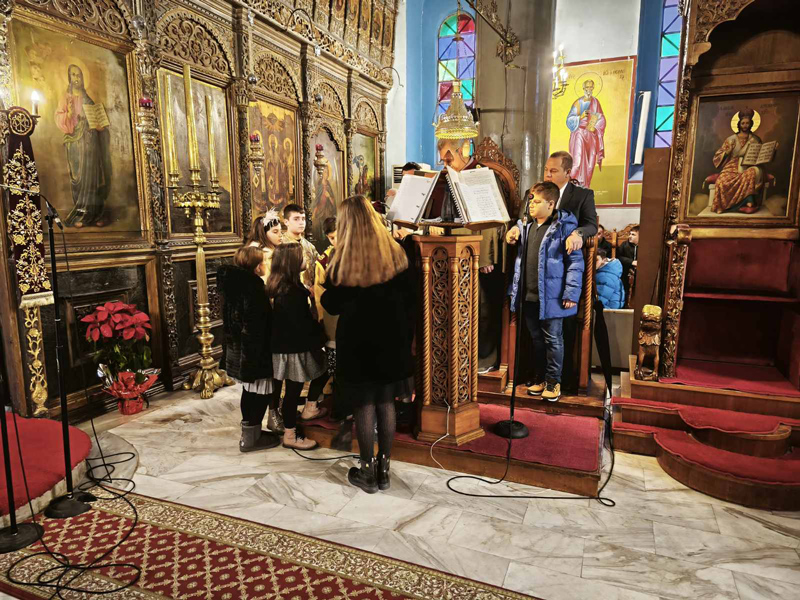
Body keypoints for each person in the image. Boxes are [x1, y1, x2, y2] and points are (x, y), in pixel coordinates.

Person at [321, 195, 415, 494]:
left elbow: (332, 304)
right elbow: (409, 295)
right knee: (386, 402)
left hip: (358, 340)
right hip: (392, 336)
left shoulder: (343, 259)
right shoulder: (396, 251)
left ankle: (367, 472)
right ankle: (384, 470)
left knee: (364, 404)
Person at [506, 150, 597, 393]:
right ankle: (538, 377)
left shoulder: (581, 197)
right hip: (533, 286)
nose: (548, 174)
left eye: (553, 170)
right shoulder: (534, 195)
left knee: (556, 337)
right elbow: (523, 221)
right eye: (546, 170)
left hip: (558, 281)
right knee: (537, 337)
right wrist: (515, 229)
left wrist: (577, 234)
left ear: (568, 172)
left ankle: (558, 381)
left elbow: (590, 225)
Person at [218, 246, 280, 453]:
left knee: (249, 391)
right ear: (257, 266)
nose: (265, 265)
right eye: (263, 262)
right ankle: (252, 438)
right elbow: (256, 325)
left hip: (239, 350)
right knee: (261, 392)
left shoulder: (235, 286)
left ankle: (249, 433)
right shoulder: (254, 288)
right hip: (254, 352)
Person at [267, 242, 328, 450]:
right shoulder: (291, 292)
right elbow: (300, 324)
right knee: (293, 391)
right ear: (292, 262)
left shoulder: (283, 286)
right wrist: (319, 335)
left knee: (317, 373)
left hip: (286, 346)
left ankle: (309, 408)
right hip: (293, 348)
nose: (305, 259)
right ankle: (290, 435)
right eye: (301, 257)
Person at [55, 64, 112, 228]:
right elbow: (59, 118)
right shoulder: (66, 98)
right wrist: (69, 114)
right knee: (78, 178)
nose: (76, 78)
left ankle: (95, 214)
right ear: (69, 77)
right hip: (75, 144)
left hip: (91, 144)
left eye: (79, 75)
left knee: (93, 177)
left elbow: (98, 122)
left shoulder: (89, 99)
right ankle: (80, 213)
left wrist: (101, 128)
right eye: (73, 75)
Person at [314, 217, 347, 419]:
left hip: (350, 316)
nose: (336, 241)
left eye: (339, 236)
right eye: (332, 238)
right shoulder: (324, 260)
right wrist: (320, 318)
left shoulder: (354, 254)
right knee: (334, 358)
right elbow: (320, 293)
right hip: (332, 318)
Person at [710, 108, 767, 214]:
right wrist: (727, 152)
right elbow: (717, 157)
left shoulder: (755, 139)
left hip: (749, 164)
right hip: (732, 165)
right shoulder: (731, 139)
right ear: (739, 124)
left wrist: (771, 151)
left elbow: (760, 155)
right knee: (722, 181)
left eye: (747, 123)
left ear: (751, 124)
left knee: (752, 173)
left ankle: (749, 201)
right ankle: (724, 206)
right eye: (743, 123)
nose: (745, 125)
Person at [566, 79, 606, 188]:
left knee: (590, 164)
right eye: (587, 87)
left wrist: (595, 128)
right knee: (577, 162)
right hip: (579, 134)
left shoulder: (596, 102)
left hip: (591, 135)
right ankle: (571, 186)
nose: (589, 89)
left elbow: (601, 118)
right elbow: (569, 120)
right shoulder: (578, 103)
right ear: (583, 88)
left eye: (591, 87)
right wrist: (581, 116)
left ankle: (585, 187)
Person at [282, 203, 319, 289]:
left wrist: (315, 287)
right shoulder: (281, 245)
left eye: (303, 219)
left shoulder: (310, 246)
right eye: (296, 219)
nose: (301, 222)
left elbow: (318, 269)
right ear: (286, 222)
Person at [246, 210, 282, 284]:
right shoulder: (267, 253)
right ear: (263, 233)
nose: (280, 235)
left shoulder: (251, 247)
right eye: (275, 232)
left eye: (281, 231)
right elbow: (268, 282)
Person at [617, 225, 639, 302]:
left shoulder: (645, 246)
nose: (630, 236)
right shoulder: (624, 245)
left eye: (633, 234)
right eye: (630, 234)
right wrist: (631, 262)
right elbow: (618, 257)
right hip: (625, 272)